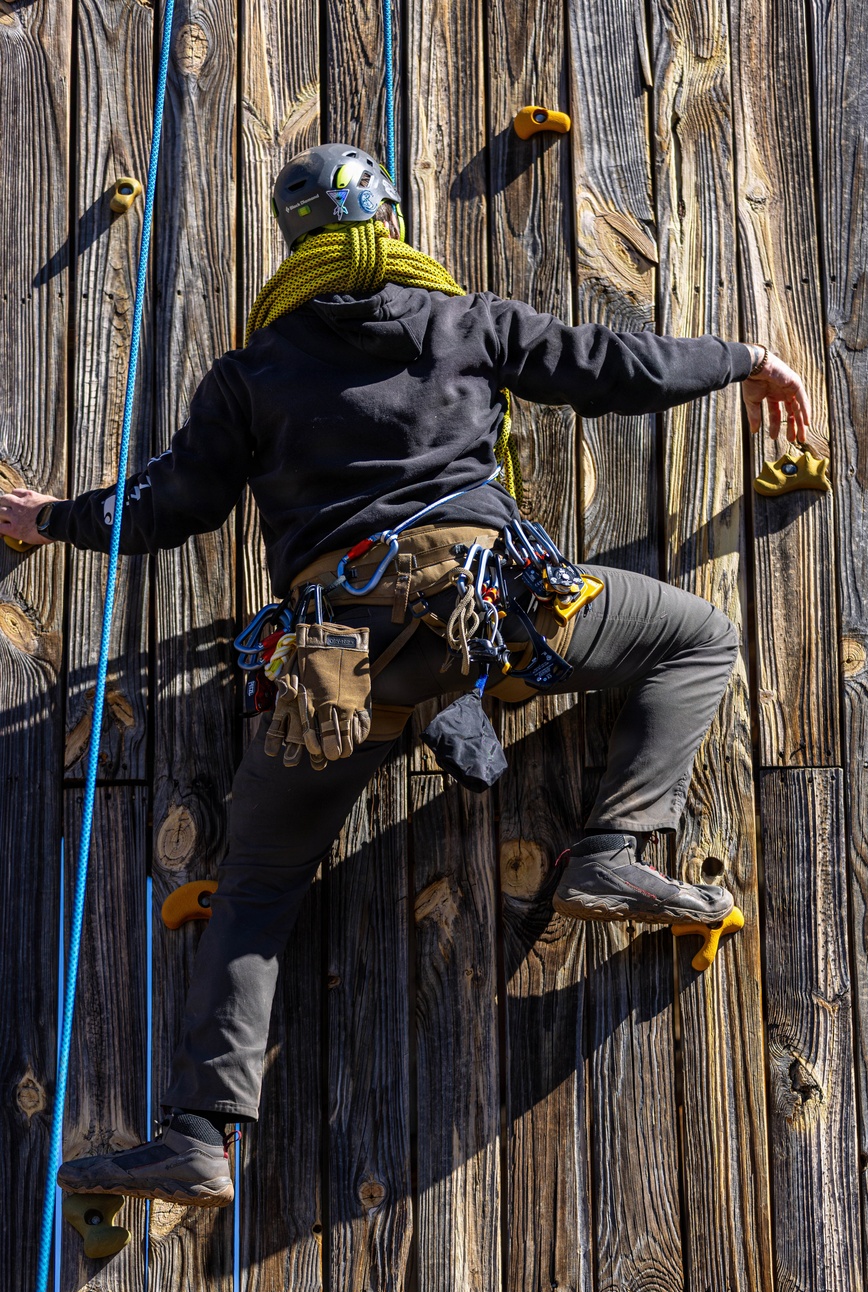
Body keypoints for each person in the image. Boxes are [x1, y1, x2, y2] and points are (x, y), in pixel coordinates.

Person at [1, 143, 811, 1206]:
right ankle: (608, 852)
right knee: (696, 636)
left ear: (295, 242)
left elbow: (169, 505)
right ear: (386, 219)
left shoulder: (253, 373)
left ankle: (201, 1132)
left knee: (257, 882)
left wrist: (48, 520)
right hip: (493, 616)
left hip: (336, 669)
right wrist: (745, 357)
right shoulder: (464, 324)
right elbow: (617, 367)